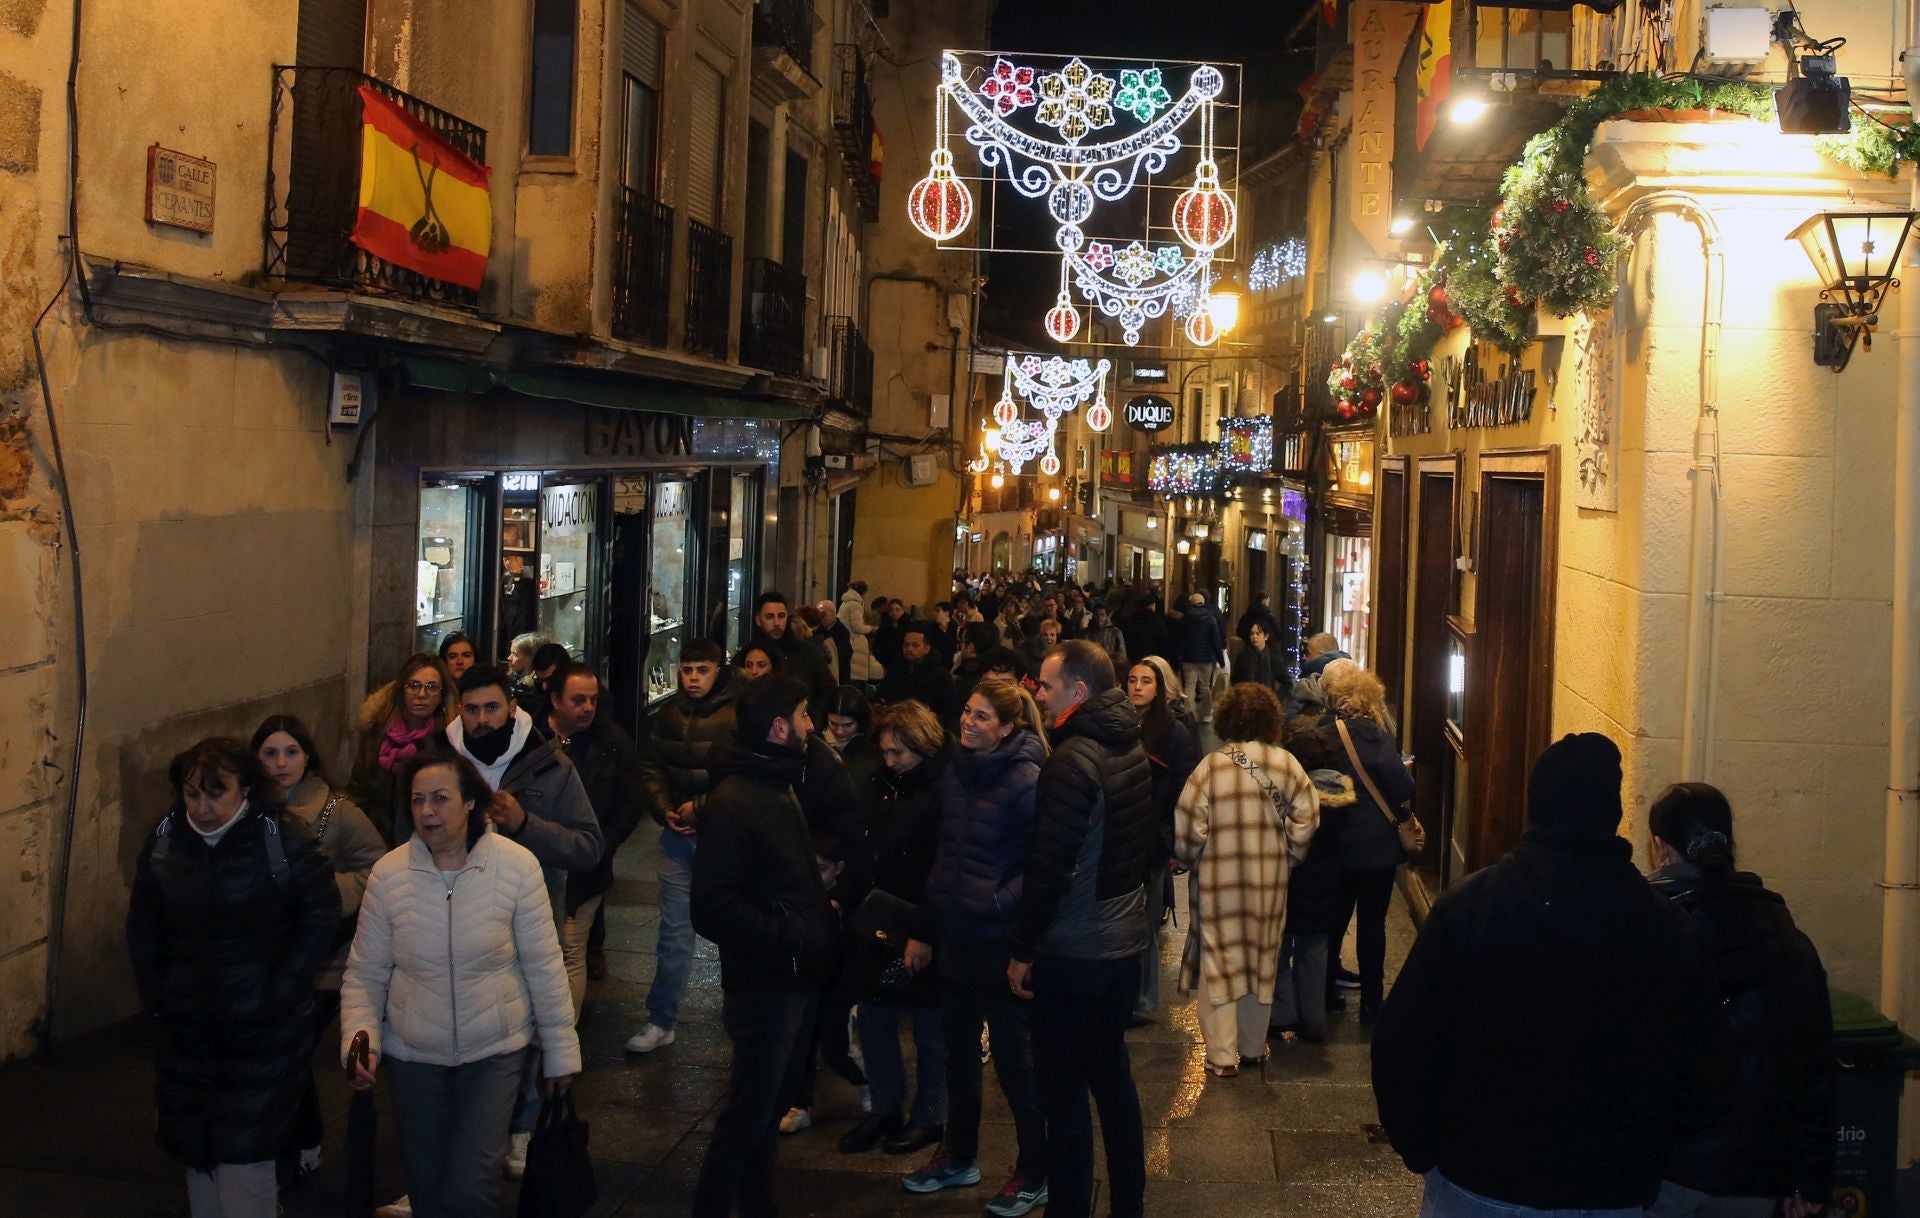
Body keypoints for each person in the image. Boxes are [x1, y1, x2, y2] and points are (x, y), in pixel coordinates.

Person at [1371, 733, 1732, 1217]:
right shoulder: (1666, 927)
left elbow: (1404, 1041)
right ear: (1613, 813)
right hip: (1610, 1190)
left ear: (1534, 805)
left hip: (1481, 1180)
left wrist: (1426, 1148)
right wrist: (1645, 1154)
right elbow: (1708, 1071)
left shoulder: (1473, 907)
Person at [341, 751, 579, 1218]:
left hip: (494, 1054)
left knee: (472, 1188)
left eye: (440, 798)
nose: (427, 810)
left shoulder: (516, 867)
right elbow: (365, 973)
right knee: (427, 1188)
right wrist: (359, 1039)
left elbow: (544, 965)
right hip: (414, 1056)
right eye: (417, 800)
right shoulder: (389, 876)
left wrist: (560, 1051)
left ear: (471, 802)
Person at [127, 738, 340, 1218]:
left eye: (215, 794)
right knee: (197, 1151)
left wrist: (278, 991)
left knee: (245, 1153)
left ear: (245, 789)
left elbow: (320, 916)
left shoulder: (282, 838)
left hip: (262, 1028)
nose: (202, 808)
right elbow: (144, 922)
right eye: (192, 794)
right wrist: (157, 997)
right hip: (187, 1026)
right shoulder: (165, 840)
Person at [690, 676, 843, 1218]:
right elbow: (711, 907)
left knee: (766, 1105)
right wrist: (792, 933)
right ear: (778, 728)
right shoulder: (736, 801)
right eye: (803, 716)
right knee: (748, 1113)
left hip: (790, 974)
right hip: (765, 982)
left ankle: (758, 1205)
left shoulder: (776, 782)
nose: (812, 726)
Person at [442, 665, 602, 1178]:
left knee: (529, 1030)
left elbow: (587, 846)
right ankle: (453, 1156)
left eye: (492, 708)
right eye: (471, 710)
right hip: (452, 926)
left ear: (512, 707)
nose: (482, 720)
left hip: (528, 922)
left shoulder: (549, 766)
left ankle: (522, 1129)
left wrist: (525, 825)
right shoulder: (440, 764)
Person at [1013, 641, 1155, 1218]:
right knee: (1112, 1080)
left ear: (1078, 691)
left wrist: (1023, 948)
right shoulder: (1129, 742)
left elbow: (1049, 865)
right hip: (1121, 941)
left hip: (1076, 947)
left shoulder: (1072, 760)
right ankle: (1128, 1205)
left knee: (1064, 1096)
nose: (1037, 696)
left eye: (1045, 686)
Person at [1645, 783, 1833, 1218]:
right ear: (1729, 844)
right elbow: (1815, 1071)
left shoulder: (1645, 935)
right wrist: (1810, 1180)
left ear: (1660, 849)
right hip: (1760, 1177)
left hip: (1663, 1177)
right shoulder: (1791, 942)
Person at [907, 678, 1051, 1215]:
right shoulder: (956, 769)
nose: (968, 722)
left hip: (999, 939)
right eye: (967, 711)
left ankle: (1035, 1169)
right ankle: (959, 1154)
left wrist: (999, 904)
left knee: (1016, 1062)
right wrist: (928, 923)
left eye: (982, 716)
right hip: (955, 934)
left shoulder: (1026, 778)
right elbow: (942, 849)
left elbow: (1045, 863)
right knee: (958, 1054)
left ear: (1008, 726)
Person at [252, 714, 385, 1180]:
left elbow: (378, 869)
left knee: (290, 1049)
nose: (280, 763)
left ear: (308, 756)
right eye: (269, 753)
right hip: (267, 956)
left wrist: (325, 888)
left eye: (290, 752)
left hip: (326, 960)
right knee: (279, 1052)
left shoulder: (337, 811)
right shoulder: (245, 808)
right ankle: (293, 1141)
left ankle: (299, 1143)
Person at [1173, 683, 1319, 1076]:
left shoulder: (1210, 767)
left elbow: (1188, 829)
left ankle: (1221, 1056)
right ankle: (1254, 1047)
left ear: (1226, 719)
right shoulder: (1287, 764)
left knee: (1219, 961)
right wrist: (1287, 855)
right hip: (1269, 882)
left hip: (1218, 883)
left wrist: (1186, 858)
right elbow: (1307, 818)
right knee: (1262, 957)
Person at [834, 701, 953, 1156]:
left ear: (923, 748)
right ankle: (885, 1109)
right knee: (875, 1016)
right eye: (885, 751)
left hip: (922, 922)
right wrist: (841, 896)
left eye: (898, 753)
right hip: (876, 921)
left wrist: (924, 931)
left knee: (929, 1026)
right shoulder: (878, 785)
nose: (890, 761)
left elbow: (942, 868)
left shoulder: (942, 791)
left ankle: (930, 1117)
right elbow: (863, 851)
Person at [627, 637, 740, 1055]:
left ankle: (739, 1018)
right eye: (687, 670)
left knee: (734, 932)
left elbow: (741, 777)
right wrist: (665, 809)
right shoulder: (667, 714)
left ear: (718, 670)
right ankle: (661, 1019)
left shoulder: (735, 716)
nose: (693, 678)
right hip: (679, 837)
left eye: (702, 670)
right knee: (674, 933)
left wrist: (703, 809)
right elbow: (650, 766)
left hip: (723, 839)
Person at [540, 662, 645, 1013]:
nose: (587, 708)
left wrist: (600, 847)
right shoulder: (530, 738)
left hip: (588, 868)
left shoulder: (612, 743)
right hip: (538, 862)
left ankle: (562, 1035)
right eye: (578, 700)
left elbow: (630, 803)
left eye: (593, 699)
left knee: (571, 949)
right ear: (555, 700)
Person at [1318, 664, 1414, 1024]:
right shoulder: (1376, 736)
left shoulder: (1322, 733)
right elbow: (1402, 787)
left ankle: (1325, 993)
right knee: (1372, 925)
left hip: (1335, 844)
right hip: (1376, 849)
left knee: (1333, 921)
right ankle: (1373, 1003)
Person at [1268, 727, 1355, 1045]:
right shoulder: (1341, 795)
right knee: (1315, 954)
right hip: (1326, 889)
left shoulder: (1293, 796)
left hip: (1291, 886)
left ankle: (1281, 1015)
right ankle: (1315, 1022)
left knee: (1278, 953)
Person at [1124, 657, 1198, 1016]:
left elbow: (1185, 786)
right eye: (1132, 680)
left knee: (1147, 919)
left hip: (1154, 835)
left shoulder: (1173, 731)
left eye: (1146, 681)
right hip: (1126, 832)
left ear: (1159, 688)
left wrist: (1175, 841)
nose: (1137, 687)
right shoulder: (1120, 725)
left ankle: (1142, 998)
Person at [348, 653, 459, 842]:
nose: (422, 694)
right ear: (402, 691)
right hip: (376, 838)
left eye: (431, 687)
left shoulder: (449, 740)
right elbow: (358, 791)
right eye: (414, 686)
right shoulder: (377, 734)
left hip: (428, 841)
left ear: (441, 695)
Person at [753, 590, 836, 720]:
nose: (776, 623)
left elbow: (827, 690)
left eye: (781, 616)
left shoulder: (808, 653)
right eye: (769, 617)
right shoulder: (750, 654)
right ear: (758, 620)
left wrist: (812, 718)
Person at [877, 623, 960, 725]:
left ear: (927, 649)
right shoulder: (896, 670)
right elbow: (883, 696)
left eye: (915, 645)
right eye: (906, 645)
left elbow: (949, 712)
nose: (909, 649)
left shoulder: (940, 676)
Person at [1173, 592, 1227, 725]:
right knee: (1204, 687)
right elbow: (1216, 640)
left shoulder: (1184, 620)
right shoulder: (1210, 619)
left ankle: (1188, 714)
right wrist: (1221, 659)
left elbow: (1179, 640)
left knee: (1189, 688)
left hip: (1188, 658)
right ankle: (1207, 713)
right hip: (1206, 659)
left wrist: (1176, 658)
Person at [823, 684, 882, 794]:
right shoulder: (819, 740)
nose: (839, 731)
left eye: (848, 725)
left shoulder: (874, 747)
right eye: (833, 723)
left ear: (861, 720)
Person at [1229, 619, 1286, 695]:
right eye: (1252, 634)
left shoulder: (1273, 656)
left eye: (1258, 633)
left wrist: (1276, 698)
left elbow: (1287, 682)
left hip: (1265, 701)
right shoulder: (1243, 655)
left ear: (1266, 636)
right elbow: (1235, 679)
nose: (1254, 636)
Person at [1120, 595, 1172, 668]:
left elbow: (1128, 640)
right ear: (1152, 606)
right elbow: (1164, 640)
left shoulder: (1133, 620)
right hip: (1154, 660)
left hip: (1136, 659)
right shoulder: (1158, 621)